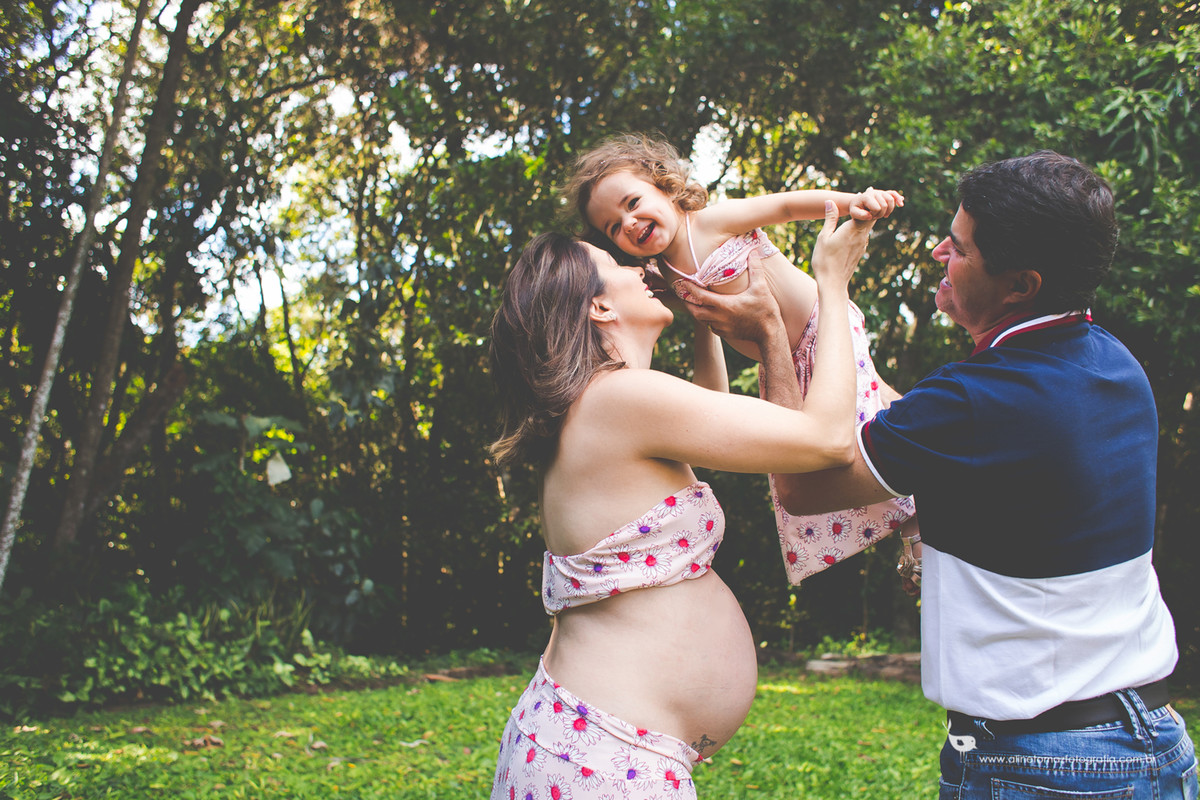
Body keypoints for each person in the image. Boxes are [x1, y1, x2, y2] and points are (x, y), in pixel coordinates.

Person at [683, 151, 1198, 799]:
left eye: (957, 248)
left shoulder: (973, 403)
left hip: (1044, 766)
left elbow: (801, 483)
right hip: (1150, 740)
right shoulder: (1112, 366)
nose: (936, 254)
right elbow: (914, 427)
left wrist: (797, 314)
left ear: (1021, 286)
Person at [487, 202, 875, 799]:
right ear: (599, 305)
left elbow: (722, 431)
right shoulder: (619, 400)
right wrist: (831, 281)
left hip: (597, 751)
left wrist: (710, 318)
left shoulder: (607, 407)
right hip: (603, 760)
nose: (637, 265)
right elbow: (824, 441)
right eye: (612, 261)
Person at [563, 133, 917, 584]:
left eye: (633, 203)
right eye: (614, 227)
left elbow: (786, 206)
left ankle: (916, 519)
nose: (629, 223)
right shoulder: (662, 280)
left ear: (665, 186)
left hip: (820, 332)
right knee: (861, 436)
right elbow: (714, 388)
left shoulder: (708, 223)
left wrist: (855, 203)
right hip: (786, 365)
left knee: (868, 441)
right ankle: (915, 513)